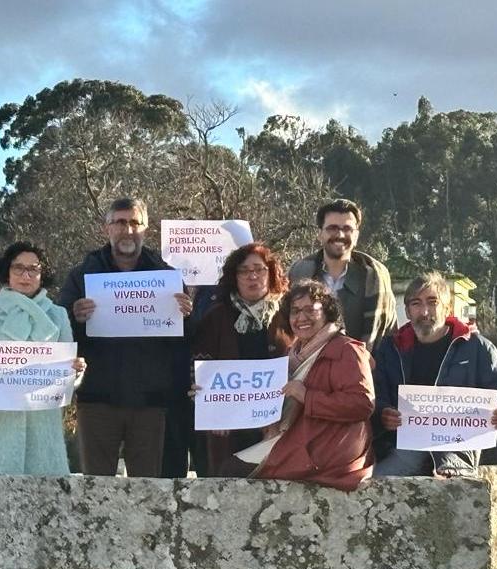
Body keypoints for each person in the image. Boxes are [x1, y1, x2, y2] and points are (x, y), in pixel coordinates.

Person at [59, 197, 193, 478]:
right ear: (106, 228)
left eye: (135, 223)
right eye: (120, 222)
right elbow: (60, 332)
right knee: (95, 487)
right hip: (97, 399)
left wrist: (185, 317)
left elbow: (183, 343)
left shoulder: (167, 277)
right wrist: (75, 316)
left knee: (148, 489)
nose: (128, 230)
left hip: (150, 403)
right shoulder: (81, 275)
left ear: (145, 229)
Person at [372, 272, 497, 477]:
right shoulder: (390, 349)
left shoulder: (477, 347)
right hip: (399, 449)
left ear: (447, 308)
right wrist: (383, 414)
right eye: (416, 304)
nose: (425, 312)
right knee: (370, 487)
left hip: (455, 455)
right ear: (407, 311)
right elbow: (374, 397)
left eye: (432, 302)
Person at [0, 242, 84, 475]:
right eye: (18, 268)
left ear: (42, 274)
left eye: (33, 269)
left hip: (46, 439)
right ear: (7, 271)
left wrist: (76, 371)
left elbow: (68, 376)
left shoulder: (58, 315)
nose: (25, 275)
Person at [247, 280, 375, 491]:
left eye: (310, 310)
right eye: (295, 311)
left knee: (231, 471)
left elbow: (362, 404)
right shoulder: (291, 353)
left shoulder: (348, 350)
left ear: (327, 313)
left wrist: (307, 396)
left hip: (328, 447)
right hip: (302, 438)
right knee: (227, 462)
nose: (301, 318)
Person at [193, 243, 292, 476]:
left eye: (259, 269)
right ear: (234, 277)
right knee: (227, 482)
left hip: (278, 424)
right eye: (244, 271)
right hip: (227, 429)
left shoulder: (288, 315)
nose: (252, 276)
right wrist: (209, 406)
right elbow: (199, 365)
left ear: (271, 273)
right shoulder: (216, 316)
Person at [288, 199, 396, 352]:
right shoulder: (299, 273)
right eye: (332, 228)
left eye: (347, 229)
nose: (339, 235)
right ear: (320, 234)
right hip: (308, 364)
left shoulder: (374, 277)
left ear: (356, 235)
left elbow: (387, 335)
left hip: (367, 363)